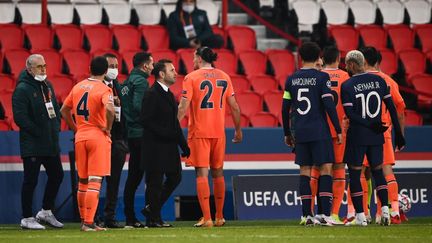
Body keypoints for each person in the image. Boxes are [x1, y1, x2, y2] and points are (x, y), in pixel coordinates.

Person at [178, 46, 242, 227]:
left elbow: (183, 106)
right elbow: (235, 106)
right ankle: (220, 216)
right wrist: (238, 130)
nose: (192, 61)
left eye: (193, 57)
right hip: (218, 132)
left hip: (200, 132)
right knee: (218, 172)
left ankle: (207, 218)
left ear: (199, 58)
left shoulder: (191, 77)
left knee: (201, 173)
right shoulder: (224, 76)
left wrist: (173, 126)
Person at [341, 50, 405, 226]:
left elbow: (350, 114)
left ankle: (360, 215)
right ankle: (385, 211)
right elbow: (392, 108)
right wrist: (399, 134)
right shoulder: (380, 81)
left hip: (358, 136)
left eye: (347, 65)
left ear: (352, 65)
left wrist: (368, 124)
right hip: (378, 135)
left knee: (355, 174)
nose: (346, 68)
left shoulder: (347, 85)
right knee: (379, 173)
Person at [282, 42, 342, 226]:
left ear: (300, 56)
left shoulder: (291, 79)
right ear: (318, 58)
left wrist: (287, 133)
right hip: (319, 131)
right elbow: (329, 105)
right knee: (325, 169)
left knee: (304, 172)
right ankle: (324, 215)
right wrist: (338, 129)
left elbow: (285, 109)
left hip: (300, 131)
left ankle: (307, 215)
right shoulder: (322, 78)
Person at [61, 56, 115, 231]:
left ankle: (85, 221)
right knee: (95, 180)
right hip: (97, 137)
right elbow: (109, 109)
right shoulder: (104, 89)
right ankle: (89, 223)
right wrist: (107, 127)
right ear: (106, 71)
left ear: (89, 68)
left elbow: (64, 109)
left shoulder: (78, 87)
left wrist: (75, 128)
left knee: (83, 181)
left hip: (81, 136)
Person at [12, 54, 64, 230]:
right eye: (39, 66)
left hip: (50, 142)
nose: (43, 69)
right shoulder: (22, 89)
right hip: (33, 144)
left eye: (44, 66)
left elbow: (55, 109)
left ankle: (46, 211)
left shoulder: (47, 85)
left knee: (57, 175)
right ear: (29, 69)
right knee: (30, 180)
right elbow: (20, 117)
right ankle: (26, 217)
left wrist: (55, 127)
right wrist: (38, 132)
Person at [140, 59, 190, 227]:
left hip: (168, 146)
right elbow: (146, 120)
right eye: (172, 70)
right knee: (154, 182)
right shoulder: (152, 93)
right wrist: (166, 133)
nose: (176, 73)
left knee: (175, 177)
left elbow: (174, 123)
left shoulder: (168, 94)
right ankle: (153, 218)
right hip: (155, 146)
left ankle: (151, 209)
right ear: (161, 74)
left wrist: (183, 145)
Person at [361, 47, 406, 224]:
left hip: (362, 132)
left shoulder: (358, 81)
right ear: (379, 61)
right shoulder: (389, 81)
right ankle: (391, 211)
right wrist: (400, 135)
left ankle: (363, 213)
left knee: (361, 172)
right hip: (384, 132)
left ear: (363, 62)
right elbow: (400, 110)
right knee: (385, 170)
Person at [120, 52, 154, 228]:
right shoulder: (141, 81)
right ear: (145, 66)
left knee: (133, 177)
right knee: (148, 177)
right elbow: (138, 106)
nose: (153, 67)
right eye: (152, 63)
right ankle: (148, 216)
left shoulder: (128, 81)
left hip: (131, 133)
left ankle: (130, 217)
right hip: (141, 134)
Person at [321, 46, 350, 224]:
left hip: (321, 131)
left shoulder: (318, 76)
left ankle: (316, 213)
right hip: (340, 130)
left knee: (318, 171)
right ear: (339, 59)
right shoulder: (346, 77)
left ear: (322, 59)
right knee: (339, 170)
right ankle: (334, 214)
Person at [100, 53, 128, 228]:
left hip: (118, 141)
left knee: (114, 181)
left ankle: (109, 217)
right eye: (111, 66)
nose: (114, 70)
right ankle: (91, 216)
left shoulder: (117, 85)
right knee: (96, 179)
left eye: (116, 66)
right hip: (101, 138)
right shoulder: (97, 87)